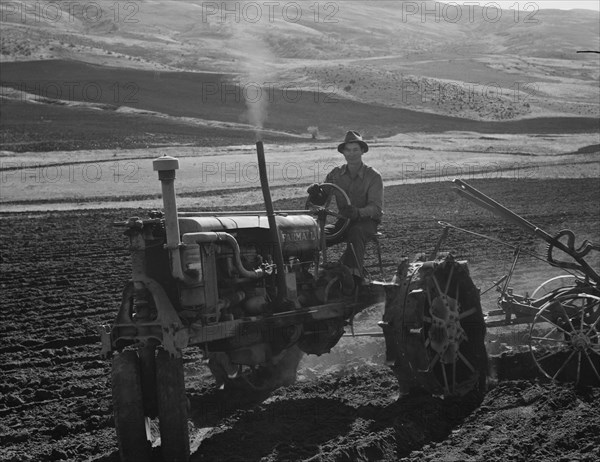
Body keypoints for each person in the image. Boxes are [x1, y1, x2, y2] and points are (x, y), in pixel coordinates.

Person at [307, 130, 383, 281]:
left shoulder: (373, 176)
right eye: (348, 150)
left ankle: (354, 278)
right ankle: (304, 273)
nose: (352, 153)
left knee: (356, 232)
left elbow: (376, 208)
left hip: (366, 222)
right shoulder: (335, 174)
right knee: (315, 235)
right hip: (343, 221)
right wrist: (316, 193)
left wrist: (358, 212)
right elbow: (322, 199)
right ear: (343, 152)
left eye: (355, 150)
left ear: (362, 151)